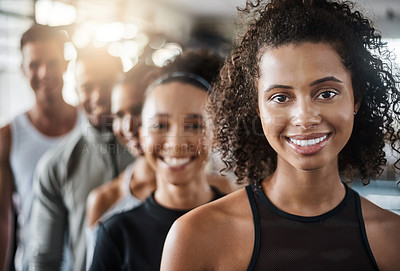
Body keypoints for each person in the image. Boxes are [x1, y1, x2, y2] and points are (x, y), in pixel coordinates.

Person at [161, 1, 400, 270]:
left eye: (326, 93)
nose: (305, 117)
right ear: (257, 108)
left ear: (356, 97)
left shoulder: (393, 240)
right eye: (281, 97)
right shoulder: (196, 236)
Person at [89, 49, 229, 271]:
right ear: (142, 134)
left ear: (216, 134)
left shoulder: (244, 221)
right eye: (160, 125)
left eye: (194, 125)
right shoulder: (115, 234)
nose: (175, 143)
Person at [29, 48, 133, 271]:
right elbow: (45, 258)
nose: (98, 96)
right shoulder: (56, 165)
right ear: (76, 91)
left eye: (107, 84)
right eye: (87, 87)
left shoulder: (153, 154)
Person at [0, 24, 80, 271]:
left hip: (89, 261)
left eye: (53, 62)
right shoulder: (8, 136)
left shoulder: (93, 126)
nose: (44, 72)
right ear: (23, 69)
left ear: (66, 64)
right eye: (34, 64)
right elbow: (2, 219)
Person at [84, 64, 157, 269]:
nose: (128, 127)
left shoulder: (217, 191)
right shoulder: (105, 201)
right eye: (119, 115)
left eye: (138, 110)